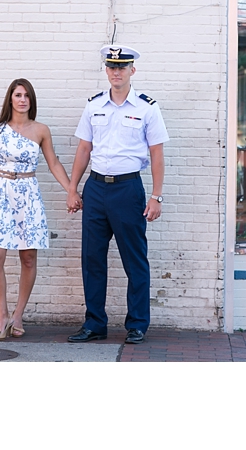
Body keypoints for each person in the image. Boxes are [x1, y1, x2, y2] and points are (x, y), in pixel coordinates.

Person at [66, 46, 169, 345]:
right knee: (92, 259)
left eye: (122, 66)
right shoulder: (93, 105)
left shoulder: (147, 107)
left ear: (132, 71)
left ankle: (137, 324)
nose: (116, 71)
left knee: (134, 260)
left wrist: (156, 196)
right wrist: (73, 188)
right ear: (106, 70)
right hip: (96, 189)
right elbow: (84, 149)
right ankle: (95, 323)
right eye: (111, 66)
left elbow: (157, 154)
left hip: (128, 189)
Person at [0, 79, 71, 340]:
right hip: (2, 193)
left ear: (31, 101)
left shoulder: (41, 130)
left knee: (28, 257)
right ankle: (2, 314)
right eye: (17, 95)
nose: (22, 99)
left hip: (28, 194)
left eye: (26, 96)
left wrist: (71, 190)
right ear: (10, 99)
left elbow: (53, 163)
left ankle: (18, 315)